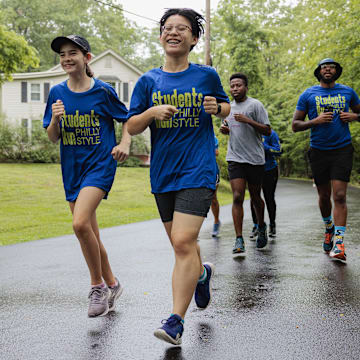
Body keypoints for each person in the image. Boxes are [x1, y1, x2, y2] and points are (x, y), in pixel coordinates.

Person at [127, 8, 230, 345]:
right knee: (180, 244)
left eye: (182, 28)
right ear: (161, 36)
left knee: (184, 242)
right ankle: (201, 274)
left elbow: (226, 106)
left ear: (194, 38)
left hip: (198, 169)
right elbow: (131, 125)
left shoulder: (206, 75)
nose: (173, 32)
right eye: (167, 28)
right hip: (163, 173)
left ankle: (175, 321)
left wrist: (219, 108)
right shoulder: (147, 81)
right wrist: (151, 112)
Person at [43, 35, 131, 317]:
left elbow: (127, 119)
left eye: (73, 53)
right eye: (62, 55)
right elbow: (52, 137)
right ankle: (113, 283)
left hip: (100, 166)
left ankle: (98, 287)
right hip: (72, 169)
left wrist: (124, 144)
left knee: (80, 224)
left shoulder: (103, 91)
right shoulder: (56, 92)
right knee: (90, 233)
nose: (67, 58)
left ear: (87, 58)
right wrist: (55, 120)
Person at [292, 58, 360, 261]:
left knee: (339, 196)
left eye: (331, 67)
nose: (327, 69)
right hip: (319, 151)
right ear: (319, 71)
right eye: (324, 67)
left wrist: (354, 117)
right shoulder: (308, 94)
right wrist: (316, 121)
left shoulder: (348, 92)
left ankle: (339, 243)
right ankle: (329, 227)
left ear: (336, 71)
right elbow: (295, 125)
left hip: (342, 149)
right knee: (323, 197)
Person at [220, 72, 271, 253]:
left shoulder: (255, 105)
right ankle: (238, 239)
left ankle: (261, 225)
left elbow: (267, 130)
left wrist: (248, 120)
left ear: (246, 87)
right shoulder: (227, 108)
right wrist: (224, 129)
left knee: (256, 197)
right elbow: (227, 127)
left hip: (255, 159)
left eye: (238, 85)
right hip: (235, 158)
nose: (235, 88)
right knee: (237, 196)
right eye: (232, 85)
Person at [250, 129, 282, 238]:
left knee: (269, 198)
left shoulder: (271, 133)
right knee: (254, 197)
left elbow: (278, 151)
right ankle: (256, 225)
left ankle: (272, 224)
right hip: (253, 168)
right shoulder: (249, 132)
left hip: (269, 169)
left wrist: (265, 146)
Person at [211, 135, 221, 237]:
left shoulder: (212, 137)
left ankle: (216, 221)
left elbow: (216, 152)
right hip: (196, 170)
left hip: (211, 169)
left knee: (213, 198)